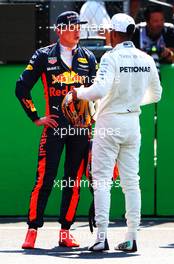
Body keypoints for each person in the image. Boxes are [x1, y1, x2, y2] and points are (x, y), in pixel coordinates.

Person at [73, 13, 162, 252]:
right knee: (131, 182)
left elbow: (99, 90)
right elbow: (156, 95)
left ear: (114, 33)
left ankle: (101, 237)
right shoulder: (146, 58)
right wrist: (130, 101)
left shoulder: (111, 57)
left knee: (102, 180)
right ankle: (132, 237)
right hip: (132, 122)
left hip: (109, 122)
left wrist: (77, 93)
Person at [15, 11, 96, 249]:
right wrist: (35, 117)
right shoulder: (43, 55)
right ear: (59, 30)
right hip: (54, 129)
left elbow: (96, 93)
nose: (77, 30)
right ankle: (32, 229)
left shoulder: (89, 57)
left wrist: (93, 121)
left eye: (79, 26)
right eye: (72, 26)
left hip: (81, 130)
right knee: (44, 179)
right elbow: (21, 88)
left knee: (72, 181)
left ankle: (65, 231)